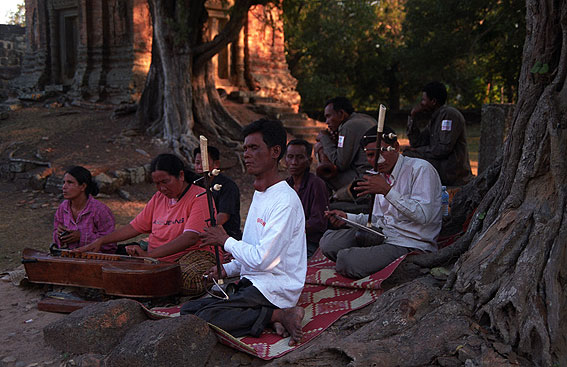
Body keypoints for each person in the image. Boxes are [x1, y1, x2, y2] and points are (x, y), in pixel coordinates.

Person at [180, 119, 306, 346]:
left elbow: (263, 260)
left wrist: (225, 240)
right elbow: (253, 249)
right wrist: (226, 269)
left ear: (275, 151)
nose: (246, 154)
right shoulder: (261, 193)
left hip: (276, 287)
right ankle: (270, 316)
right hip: (255, 282)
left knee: (202, 317)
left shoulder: (285, 201)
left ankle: (278, 314)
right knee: (188, 308)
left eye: (254, 148)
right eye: (245, 148)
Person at [78, 153, 217, 297]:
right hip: (155, 259)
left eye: (165, 182)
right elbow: (134, 227)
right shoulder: (158, 198)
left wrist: (149, 255)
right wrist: (101, 241)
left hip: (190, 257)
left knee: (186, 279)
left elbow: (190, 237)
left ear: (181, 175)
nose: (161, 188)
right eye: (157, 184)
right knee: (113, 274)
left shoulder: (200, 197)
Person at [320, 126, 443, 279]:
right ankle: (370, 259)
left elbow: (424, 216)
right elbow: (379, 220)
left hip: (410, 244)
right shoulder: (380, 176)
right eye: (371, 155)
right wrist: (347, 217)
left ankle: (400, 264)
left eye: (382, 152)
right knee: (328, 243)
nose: (377, 160)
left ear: (396, 147)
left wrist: (387, 191)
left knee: (346, 260)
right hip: (383, 236)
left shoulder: (420, 169)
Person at [404, 81, 473, 186]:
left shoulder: (449, 115)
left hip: (452, 172)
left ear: (433, 101)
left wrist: (417, 151)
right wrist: (413, 117)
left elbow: (443, 149)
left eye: (423, 100)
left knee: (408, 156)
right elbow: (417, 142)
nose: (421, 104)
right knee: (407, 155)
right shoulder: (435, 119)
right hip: (442, 167)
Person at [315, 96, 376, 193]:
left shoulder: (348, 127)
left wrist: (325, 139)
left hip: (363, 178)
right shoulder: (365, 118)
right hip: (374, 173)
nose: (327, 122)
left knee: (321, 174)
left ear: (341, 114)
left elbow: (340, 163)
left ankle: (327, 202)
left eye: (329, 116)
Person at [53, 166, 116, 253]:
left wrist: (82, 237)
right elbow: (56, 241)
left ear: (83, 186)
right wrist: (59, 235)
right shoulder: (62, 208)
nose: (64, 187)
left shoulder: (100, 210)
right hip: (68, 259)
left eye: (70, 183)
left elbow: (111, 244)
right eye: (64, 182)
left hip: (94, 263)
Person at [285, 139, 329, 258]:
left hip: (309, 243)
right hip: (286, 241)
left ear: (309, 161)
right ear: (285, 160)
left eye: (299, 157)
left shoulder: (316, 185)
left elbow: (318, 222)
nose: (294, 162)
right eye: (290, 157)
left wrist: (288, 231)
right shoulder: (285, 186)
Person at [193, 146, 242, 240]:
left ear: (216, 164)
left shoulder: (228, 186)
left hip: (226, 238)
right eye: (197, 163)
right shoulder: (196, 184)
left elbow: (223, 217)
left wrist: (197, 231)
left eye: (204, 163)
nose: (199, 167)